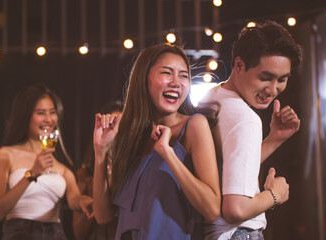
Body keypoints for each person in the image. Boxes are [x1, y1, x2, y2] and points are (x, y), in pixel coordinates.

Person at [93, 43, 221, 239]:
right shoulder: (130, 136)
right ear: (144, 80)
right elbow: (103, 216)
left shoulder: (194, 126)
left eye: (183, 75)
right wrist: (101, 152)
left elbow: (211, 209)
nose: (177, 82)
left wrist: (168, 153)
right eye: (167, 73)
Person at [201, 20, 302, 239]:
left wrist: (274, 139)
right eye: (265, 77)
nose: (273, 89)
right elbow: (235, 209)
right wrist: (275, 195)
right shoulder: (245, 119)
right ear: (239, 65)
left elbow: (225, 172)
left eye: (282, 80)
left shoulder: (212, 98)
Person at [0, 84, 93, 240]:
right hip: (18, 234)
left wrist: (84, 201)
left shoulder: (62, 168)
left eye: (52, 113)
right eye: (40, 113)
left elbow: (73, 200)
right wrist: (31, 174)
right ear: (25, 115)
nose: (49, 119)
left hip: (55, 234)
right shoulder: (5, 155)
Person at [73, 101, 123, 240]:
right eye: (112, 125)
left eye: (123, 126)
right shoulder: (85, 174)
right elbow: (78, 231)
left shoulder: (136, 168)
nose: (117, 131)